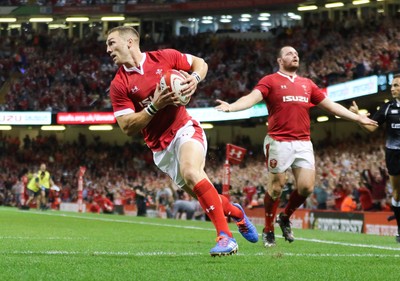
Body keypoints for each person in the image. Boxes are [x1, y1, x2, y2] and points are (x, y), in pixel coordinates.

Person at [105, 26, 258, 256]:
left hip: (184, 128)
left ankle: (225, 237)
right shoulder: (119, 84)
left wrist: (195, 79)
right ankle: (236, 212)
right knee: (204, 195)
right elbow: (127, 126)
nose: (108, 49)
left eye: (111, 43)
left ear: (129, 42)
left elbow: (201, 63)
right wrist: (155, 105)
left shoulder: (164, 57)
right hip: (160, 148)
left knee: (191, 172)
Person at [215, 46, 378, 248]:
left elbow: (331, 105)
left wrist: (357, 118)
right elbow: (252, 98)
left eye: (297, 54)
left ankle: (284, 217)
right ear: (280, 60)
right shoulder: (270, 80)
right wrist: (232, 106)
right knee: (275, 189)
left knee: (306, 187)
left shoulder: (307, 84)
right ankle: (268, 229)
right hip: (278, 141)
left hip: (303, 142)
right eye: (289, 54)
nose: (295, 55)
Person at [350, 73, 400, 243]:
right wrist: (358, 117)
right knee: (397, 193)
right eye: (392, 85)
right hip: (393, 153)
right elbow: (371, 128)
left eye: (396, 85)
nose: (393, 88)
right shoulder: (387, 108)